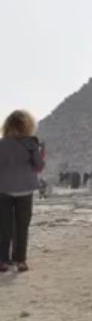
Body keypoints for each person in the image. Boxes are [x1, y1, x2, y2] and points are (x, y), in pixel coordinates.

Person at [0, 110, 45, 273]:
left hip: (3, 189)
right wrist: (41, 154)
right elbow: (39, 166)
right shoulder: (31, 143)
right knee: (22, 226)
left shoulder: (1, 143)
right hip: (25, 189)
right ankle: (20, 261)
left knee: (4, 227)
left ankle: (3, 261)